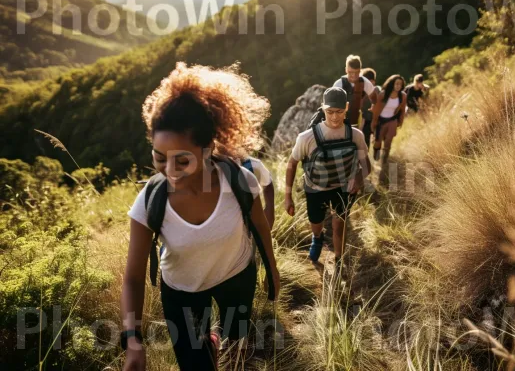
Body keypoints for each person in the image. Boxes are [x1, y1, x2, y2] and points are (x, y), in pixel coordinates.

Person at [121, 63, 280, 371]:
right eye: (158, 158)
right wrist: (133, 339)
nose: (169, 172)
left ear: (207, 148)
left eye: (182, 161)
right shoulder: (150, 202)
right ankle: (208, 343)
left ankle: (220, 341)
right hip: (182, 293)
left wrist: (271, 271)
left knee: (237, 347)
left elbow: (260, 227)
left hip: (235, 277)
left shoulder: (238, 182)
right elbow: (132, 277)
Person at [285, 87, 372, 276]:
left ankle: (339, 259)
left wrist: (358, 178)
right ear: (323, 109)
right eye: (330, 112)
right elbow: (292, 164)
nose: (334, 117)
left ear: (347, 108)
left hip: (343, 187)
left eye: (339, 112)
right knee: (316, 221)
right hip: (315, 188)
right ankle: (317, 237)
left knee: (339, 224)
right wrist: (288, 196)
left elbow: (367, 165)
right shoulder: (307, 138)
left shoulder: (355, 135)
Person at [333, 54, 379, 126]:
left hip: (357, 119)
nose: (354, 75)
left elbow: (374, 97)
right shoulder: (338, 84)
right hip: (340, 120)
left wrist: (373, 106)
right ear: (346, 70)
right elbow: (331, 103)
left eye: (356, 72)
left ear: (360, 70)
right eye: (351, 72)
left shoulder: (365, 82)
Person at [371, 75, 407, 163]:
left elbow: (402, 110)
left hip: (392, 120)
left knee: (389, 139)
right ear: (392, 84)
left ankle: (385, 157)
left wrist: (400, 122)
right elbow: (376, 110)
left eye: (400, 84)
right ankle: (376, 151)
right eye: (396, 84)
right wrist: (374, 122)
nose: (398, 86)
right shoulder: (383, 94)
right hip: (381, 120)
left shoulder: (403, 96)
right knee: (378, 141)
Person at [241, 157, 275, 229]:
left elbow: (267, 182)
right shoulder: (215, 166)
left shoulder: (251, 164)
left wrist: (269, 208)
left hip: (252, 224)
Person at [359, 67, 381, 150]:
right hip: (365, 120)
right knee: (365, 139)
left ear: (373, 82)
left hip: (375, 119)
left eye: (370, 82)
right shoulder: (360, 92)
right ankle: (366, 156)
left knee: (377, 139)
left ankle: (377, 152)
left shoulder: (377, 90)